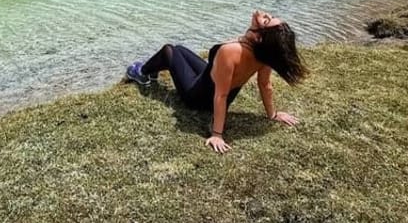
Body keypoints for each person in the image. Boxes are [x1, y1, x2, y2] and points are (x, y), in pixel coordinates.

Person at [125, 10, 308, 153]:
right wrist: (273, 114)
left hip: (197, 96)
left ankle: (141, 73)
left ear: (259, 37)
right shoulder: (264, 54)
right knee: (180, 49)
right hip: (208, 79)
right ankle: (153, 71)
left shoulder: (231, 51)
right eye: (271, 16)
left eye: (267, 20)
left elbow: (221, 95)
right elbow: (265, 85)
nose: (266, 15)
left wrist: (217, 134)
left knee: (169, 50)